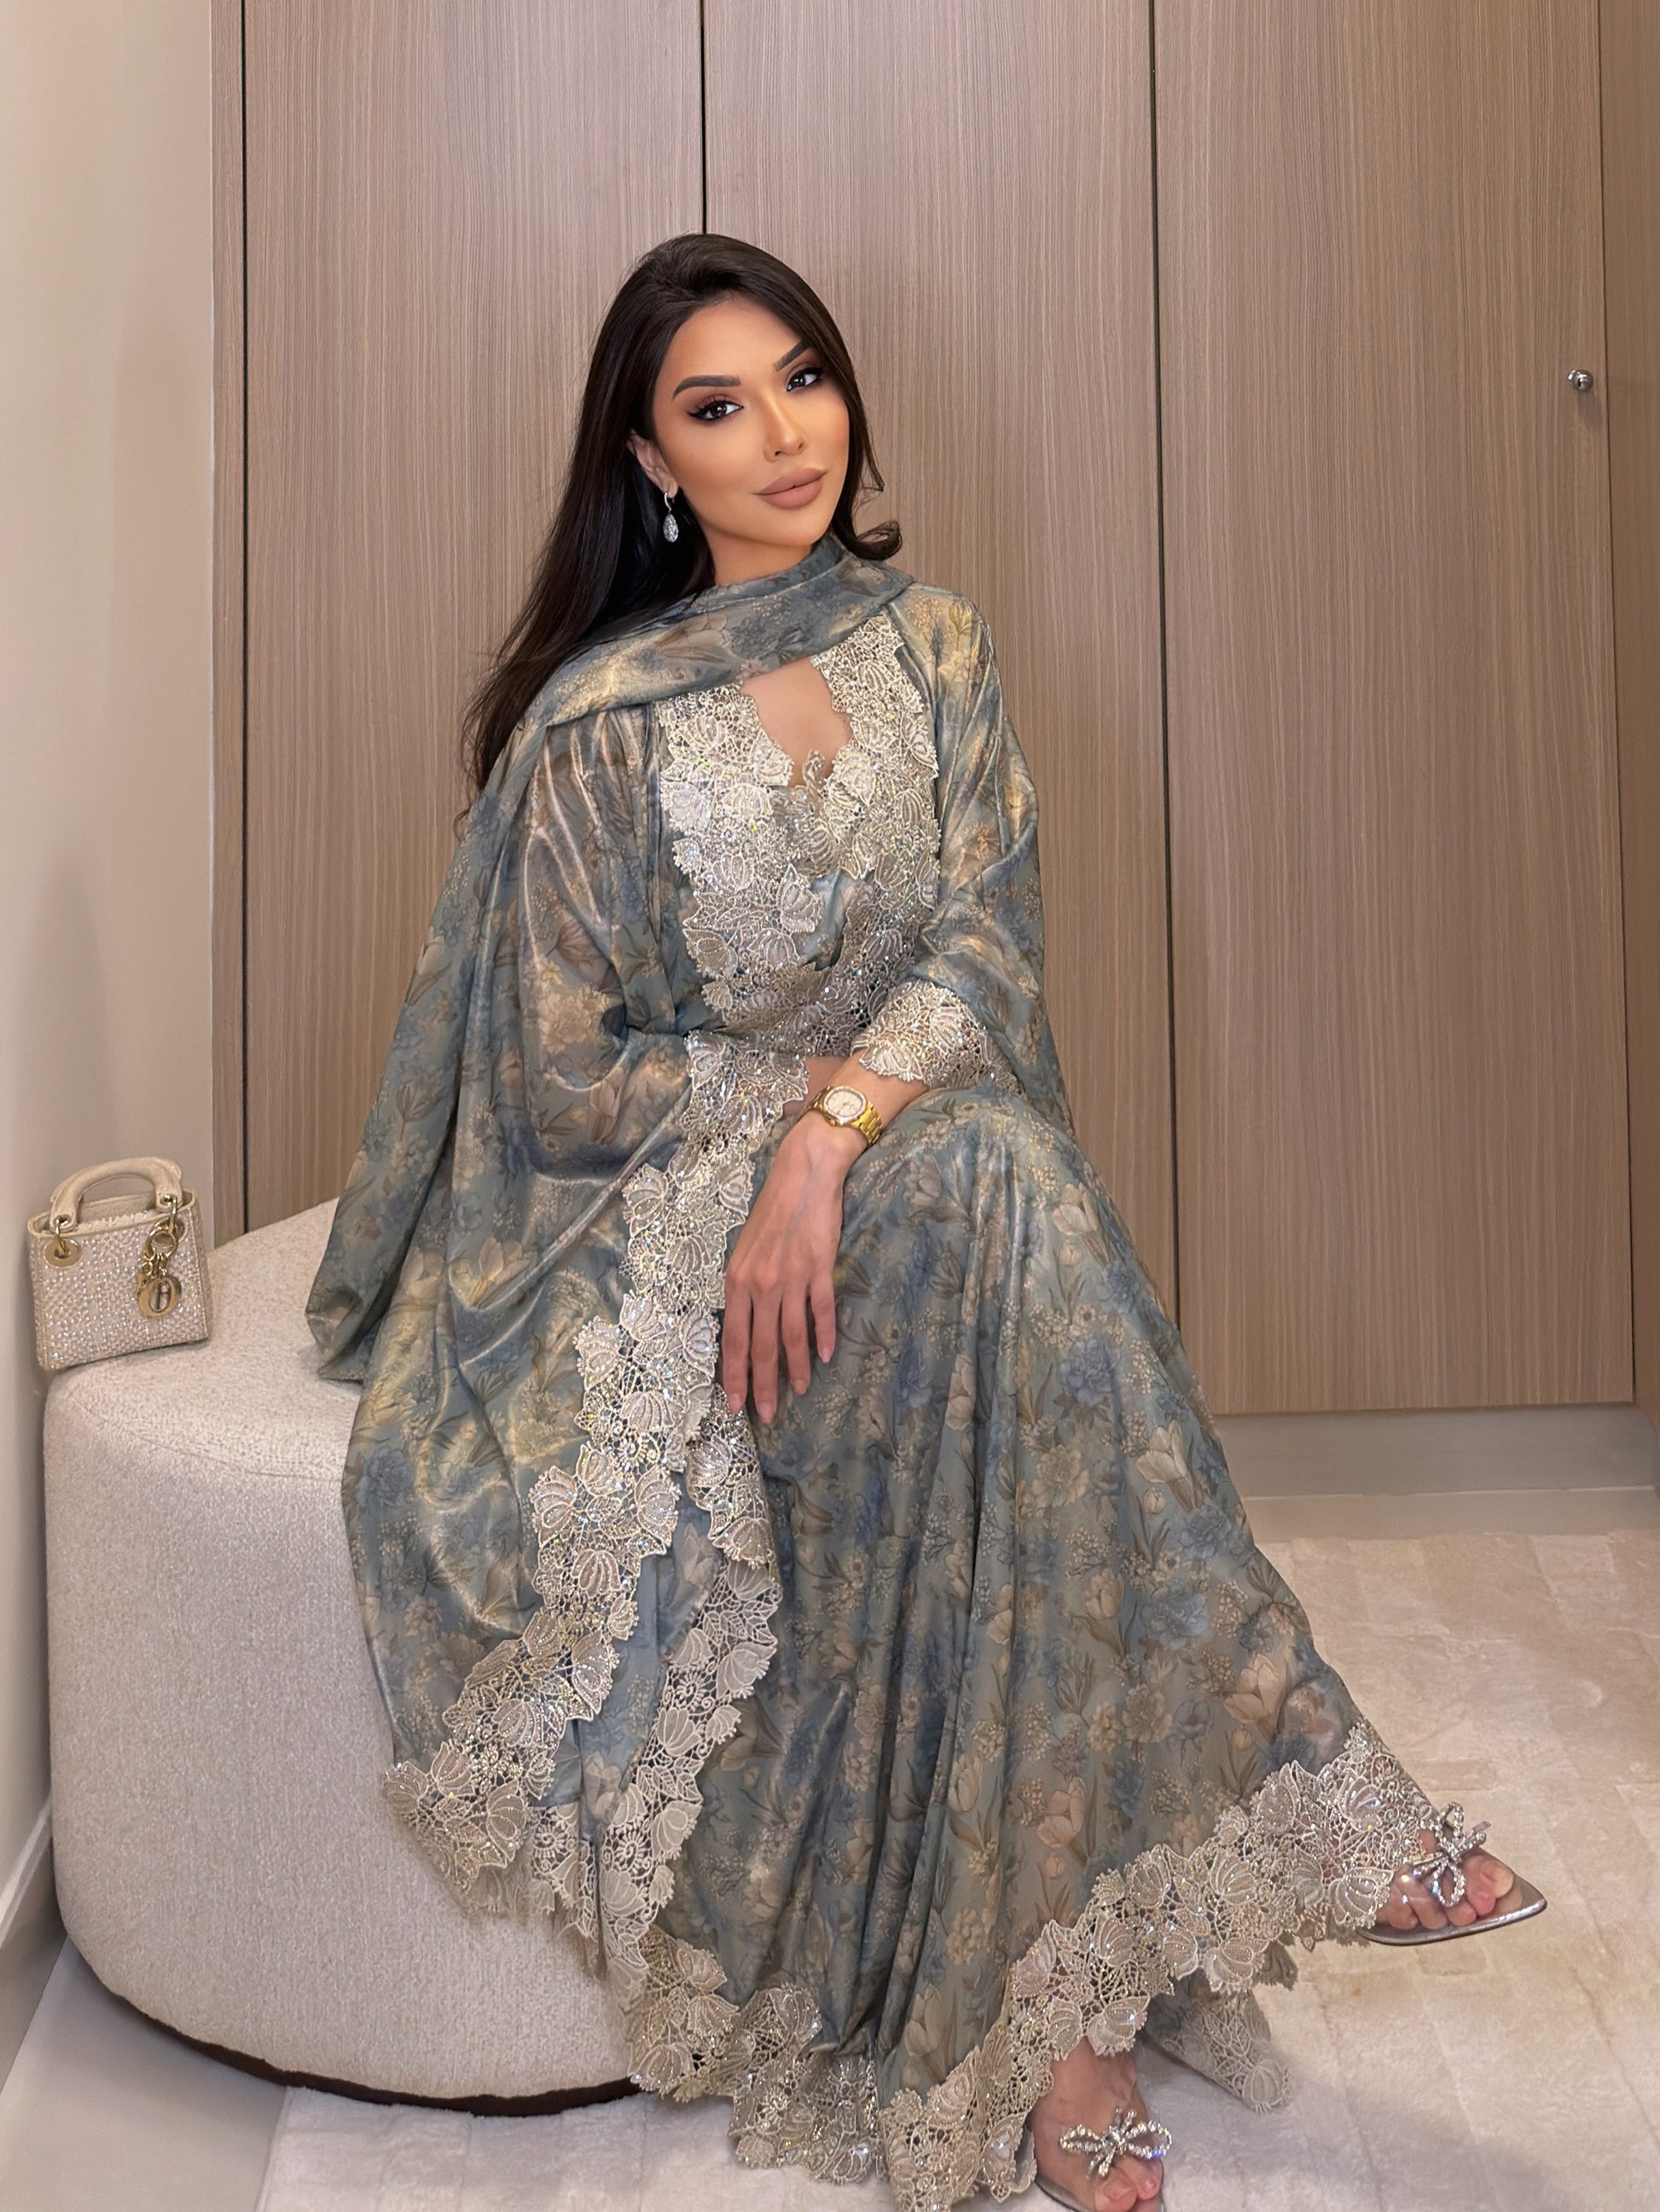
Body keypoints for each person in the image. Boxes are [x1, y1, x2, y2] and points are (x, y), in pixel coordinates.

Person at [305, 233, 1543, 2212]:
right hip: (668, 1230)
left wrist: (832, 1138)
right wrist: (779, 1141)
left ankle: (1061, 2026)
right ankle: (1283, 1794)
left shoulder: (934, 648)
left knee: (991, 1198)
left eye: (803, 377)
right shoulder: (602, 726)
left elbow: (988, 938)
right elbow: (552, 1081)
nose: (784, 433)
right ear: (649, 460)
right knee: (1004, 1196)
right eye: (719, 405)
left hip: (894, 1176)